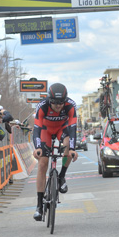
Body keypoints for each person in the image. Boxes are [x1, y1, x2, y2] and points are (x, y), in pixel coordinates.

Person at [32, 83, 78, 221]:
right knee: (42, 164)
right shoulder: (42, 106)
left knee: (68, 148)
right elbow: (36, 129)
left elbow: (73, 128)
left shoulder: (71, 105)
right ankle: (39, 206)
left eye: (61, 103)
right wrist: (38, 147)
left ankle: (61, 176)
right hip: (45, 130)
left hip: (61, 129)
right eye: (55, 103)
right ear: (50, 100)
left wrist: (72, 149)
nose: (58, 106)